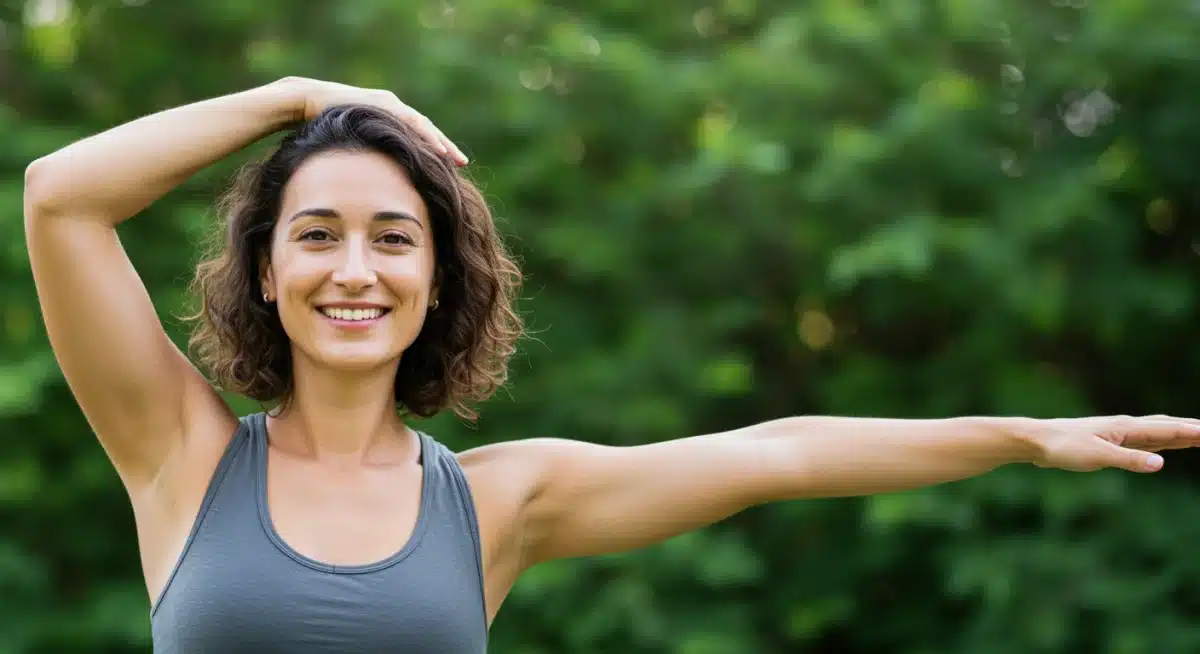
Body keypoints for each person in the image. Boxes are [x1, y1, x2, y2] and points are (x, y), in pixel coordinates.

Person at [22, 77, 1199, 653]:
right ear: (268, 272)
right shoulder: (181, 456)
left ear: (439, 281)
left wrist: (1019, 437)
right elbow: (61, 197)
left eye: (394, 238)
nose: (356, 270)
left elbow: (779, 453)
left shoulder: (497, 506)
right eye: (317, 235)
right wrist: (295, 98)